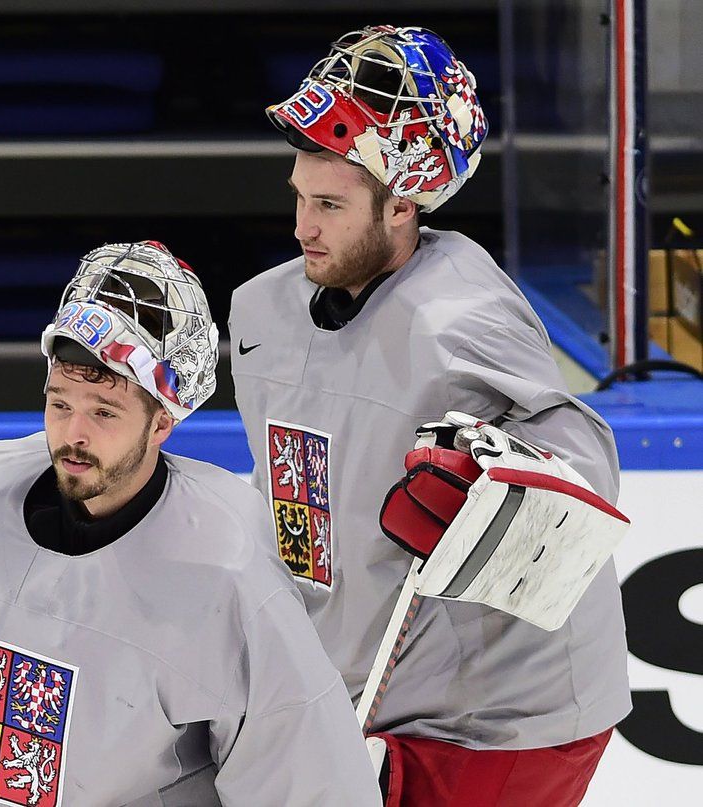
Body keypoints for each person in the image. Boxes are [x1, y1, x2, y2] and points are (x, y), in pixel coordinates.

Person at [228, 26, 631, 806]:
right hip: (364, 685)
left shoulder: (462, 317)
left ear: (404, 201)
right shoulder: (260, 312)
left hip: (501, 717)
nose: (303, 227)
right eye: (300, 197)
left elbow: (589, 464)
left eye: (330, 205)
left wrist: (491, 491)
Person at [0, 240, 381, 806]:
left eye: (104, 412)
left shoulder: (230, 569)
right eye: (60, 403)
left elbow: (311, 786)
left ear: (163, 421)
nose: (75, 433)